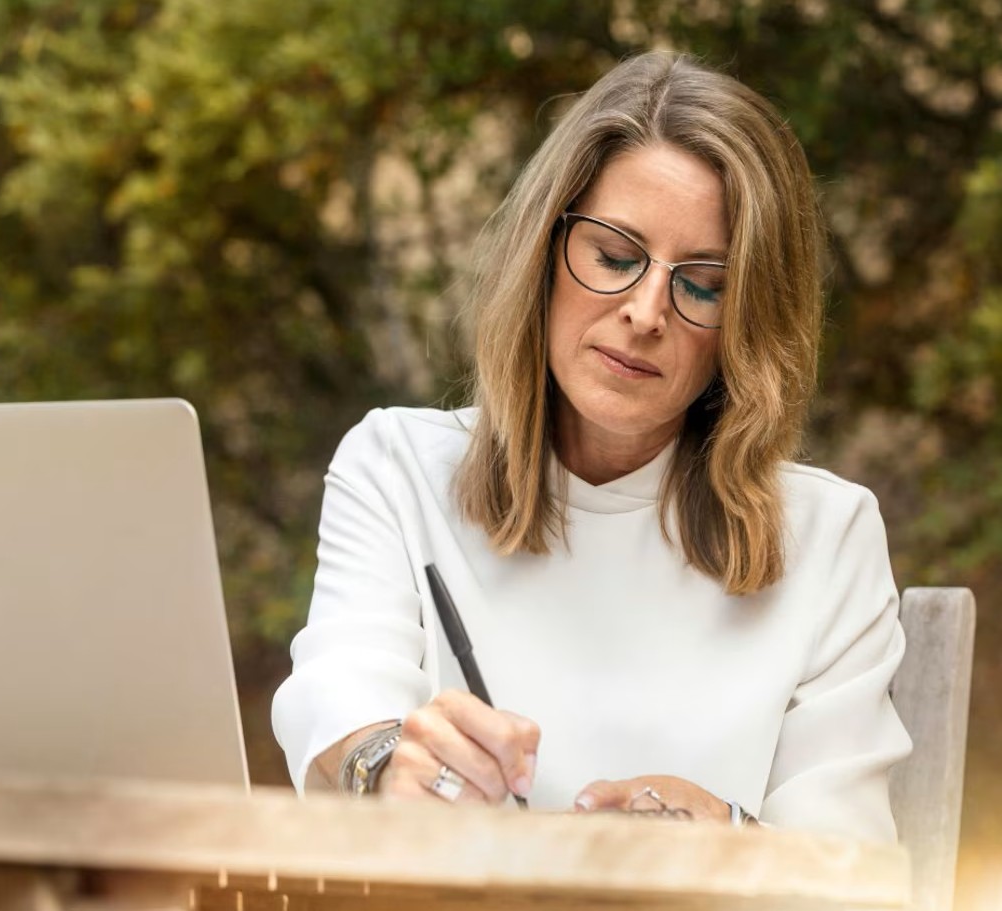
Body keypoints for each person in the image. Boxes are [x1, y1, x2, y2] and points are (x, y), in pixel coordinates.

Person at [271, 50, 912, 843]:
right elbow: (342, 691)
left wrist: (734, 841)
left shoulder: (829, 536)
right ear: (545, 250)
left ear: (747, 323)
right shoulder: (398, 467)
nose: (646, 312)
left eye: (704, 284)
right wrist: (386, 761)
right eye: (614, 256)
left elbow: (853, 870)